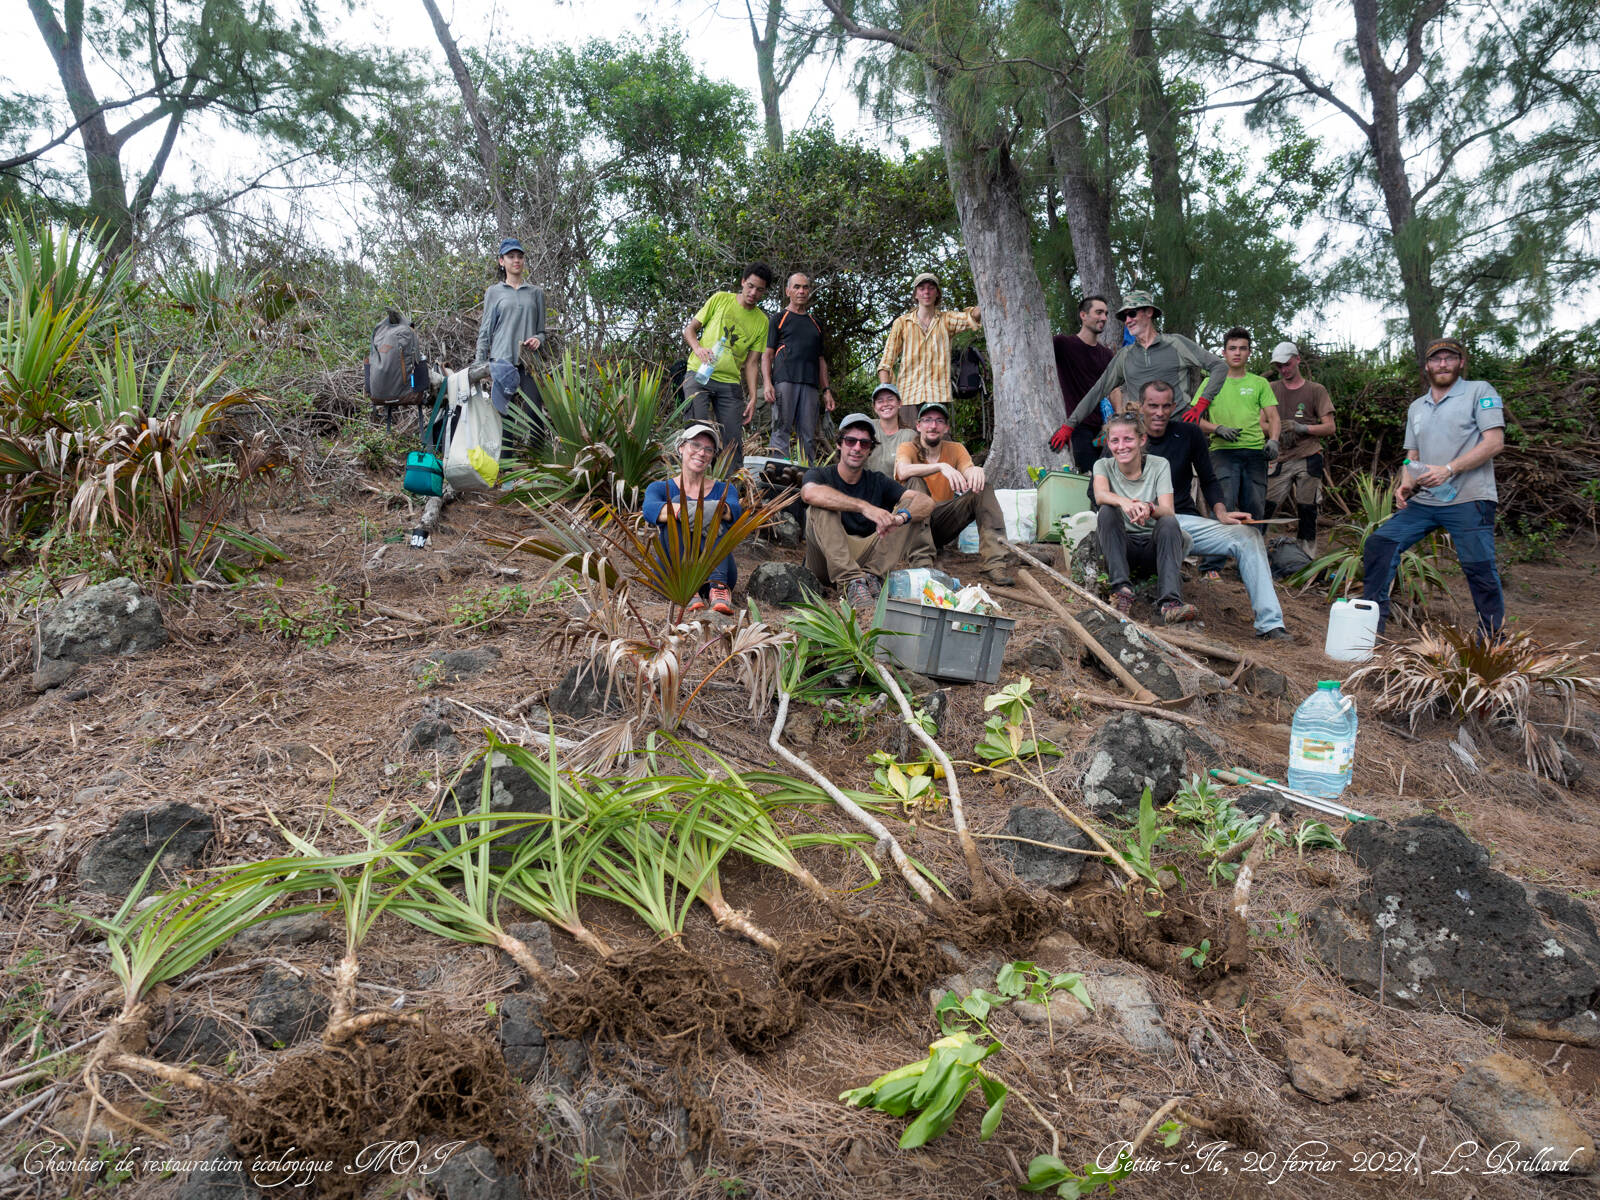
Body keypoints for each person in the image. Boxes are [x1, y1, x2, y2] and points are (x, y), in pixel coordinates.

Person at [1362, 337, 1505, 637]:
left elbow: (1494, 443)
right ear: (1427, 366)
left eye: (1449, 358)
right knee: (1380, 543)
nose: (1443, 364)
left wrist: (1449, 469)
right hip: (1427, 501)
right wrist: (1405, 485)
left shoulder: (1479, 392)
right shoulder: (1418, 406)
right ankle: (1370, 630)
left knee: (1479, 568)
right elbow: (1412, 456)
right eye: (1436, 359)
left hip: (1469, 498)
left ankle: (1492, 640)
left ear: (1461, 362)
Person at [1137, 381, 1292, 640]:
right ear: (1141, 406)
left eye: (1166, 406)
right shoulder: (1127, 436)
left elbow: (1209, 479)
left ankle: (1270, 624)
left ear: (1174, 407)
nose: (1159, 413)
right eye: (1153, 406)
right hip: (1138, 522)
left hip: (1181, 519)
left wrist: (1221, 512)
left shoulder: (1188, 434)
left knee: (1248, 536)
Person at [1062, 290, 1227, 465]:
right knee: (1108, 476)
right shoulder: (1125, 356)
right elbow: (1097, 391)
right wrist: (1069, 425)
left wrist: (1201, 404)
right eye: (1124, 317)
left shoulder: (1176, 344)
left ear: (1149, 312)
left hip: (1178, 433)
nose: (1128, 321)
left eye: (1132, 313)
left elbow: (1219, 367)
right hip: (1143, 438)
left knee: (1177, 489)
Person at [801, 413, 936, 614]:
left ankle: (872, 578)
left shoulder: (877, 481)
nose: (857, 448)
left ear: (870, 450)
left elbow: (925, 502)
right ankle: (850, 582)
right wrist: (864, 507)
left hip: (865, 560)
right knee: (822, 505)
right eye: (850, 441)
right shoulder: (820, 474)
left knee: (910, 508)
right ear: (839, 444)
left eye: (864, 444)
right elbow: (809, 493)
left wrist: (900, 518)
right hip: (824, 558)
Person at [894, 401, 1016, 586]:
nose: (933, 426)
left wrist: (975, 471)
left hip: (941, 521)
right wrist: (941, 466)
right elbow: (902, 471)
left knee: (983, 489)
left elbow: (968, 470)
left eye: (939, 421)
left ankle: (995, 564)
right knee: (914, 482)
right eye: (927, 420)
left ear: (946, 427)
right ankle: (923, 565)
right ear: (918, 426)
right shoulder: (907, 447)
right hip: (910, 524)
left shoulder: (956, 449)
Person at [1091, 413, 1197, 624]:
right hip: (1120, 548)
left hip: (1152, 549)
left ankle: (1170, 603)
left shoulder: (1159, 465)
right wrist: (1125, 502)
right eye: (1115, 440)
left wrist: (1149, 508)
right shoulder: (1102, 465)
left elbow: (1168, 510)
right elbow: (1100, 495)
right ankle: (1121, 590)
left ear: (1142, 440)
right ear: (1108, 443)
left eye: (1128, 439)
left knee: (1168, 522)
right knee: (1106, 511)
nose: (1121, 446)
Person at [1192, 328, 1280, 578]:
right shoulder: (1211, 382)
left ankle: (1251, 566)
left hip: (1255, 453)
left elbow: (1274, 417)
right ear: (1224, 353)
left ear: (1249, 353)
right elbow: (1194, 418)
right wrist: (1217, 428)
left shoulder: (1259, 383)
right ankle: (1211, 567)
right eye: (1232, 348)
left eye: (1242, 348)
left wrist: (1273, 440)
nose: (1237, 353)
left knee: (1255, 509)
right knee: (1224, 505)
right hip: (1222, 452)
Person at [642, 425, 743, 615]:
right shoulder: (658, 488)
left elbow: (734, 511)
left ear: (713, 456)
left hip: (718, 572)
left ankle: (718, 588)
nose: (701, 453)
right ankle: (688, 588)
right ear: (681, 447)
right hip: (673, 576)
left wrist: (709, 510)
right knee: (678, 508)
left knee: (714, 510)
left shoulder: (724, 489)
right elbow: (650, 510)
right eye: (695, 445)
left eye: (708, 449)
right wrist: (691, 510)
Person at [683, 263, 773, 472]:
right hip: (699, 374)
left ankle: (731, 492)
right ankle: (691, 486)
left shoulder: (762, 321)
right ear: (742, 282)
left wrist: (751, 397)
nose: (753, 293)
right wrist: (698, 348)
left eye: (759, 290)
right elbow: (690, 329)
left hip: (729, 383)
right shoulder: (720, 299)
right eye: (750, 286)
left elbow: (752, 363)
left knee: (732, 441)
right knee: (697, 431)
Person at [1265, 342, 1335, 558]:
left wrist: (1302, 427)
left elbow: (1330, 427)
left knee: (1307, 508)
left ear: (1297, 360)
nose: (1284, 370)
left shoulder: (1316, 390)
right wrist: (1277, 430)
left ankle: (1307, 558)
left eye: (1287, 364)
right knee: (1266, 506)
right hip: (1281, 457)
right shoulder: (1271, 388)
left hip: (1308, 455)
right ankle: (1253, 551)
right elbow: (1260, 423)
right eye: (1279, 367)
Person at [474, 237, 547, 442]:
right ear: (501, 261)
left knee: (534, 413)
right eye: (511, 256)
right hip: (502, 361)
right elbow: (486, 330)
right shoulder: (494, 292)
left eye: (520, 257)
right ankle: (505, 468)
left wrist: (538, 339)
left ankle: (538, 465)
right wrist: (479, 364)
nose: (516, 260)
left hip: (529, 362)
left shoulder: (536, 293)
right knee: (503, 414)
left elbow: (542, 331)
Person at [877, 272, 982, 409]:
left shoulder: (946, 320)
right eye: (921, 288)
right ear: (915, 294)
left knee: (935, 430)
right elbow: (886, 362)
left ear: (937, 293)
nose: (926, 292)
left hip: (938, 397)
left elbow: (971, 317)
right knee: (908, 431)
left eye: (931, 288)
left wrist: (988, 296)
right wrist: (885, 392)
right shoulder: (902, 323)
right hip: (908, 397)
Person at [762, 272, 834, 460]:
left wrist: (826, 390)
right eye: (797, 287)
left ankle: (805, 478)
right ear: (788, 291)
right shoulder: (779, 318)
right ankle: (777, 477)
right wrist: (768, 383)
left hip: (810, 385)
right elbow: (767, 355)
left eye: (805, 287)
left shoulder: (815, 323)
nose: (801, 291)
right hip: (784, 381)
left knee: (808, 435)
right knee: (781, 431)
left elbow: (820, 359)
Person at [1048, 295, 1117, 467]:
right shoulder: (1062, 344)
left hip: (1102, 429)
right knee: (1088, 479)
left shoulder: (1107, 354)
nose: (1104, 318)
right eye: (1099, 312)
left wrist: (1116, 423)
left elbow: (1115, 390)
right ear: (1083, 315)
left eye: (1106, 314)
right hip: (1076, 427)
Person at [865, 382, 917, 476]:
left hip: (897, 489)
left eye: (890, 399)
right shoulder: (867, 426)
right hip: (866, 487)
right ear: (875, 407)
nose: (885, 404)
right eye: (880, 401)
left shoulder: (909, 435)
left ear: (899, 403)